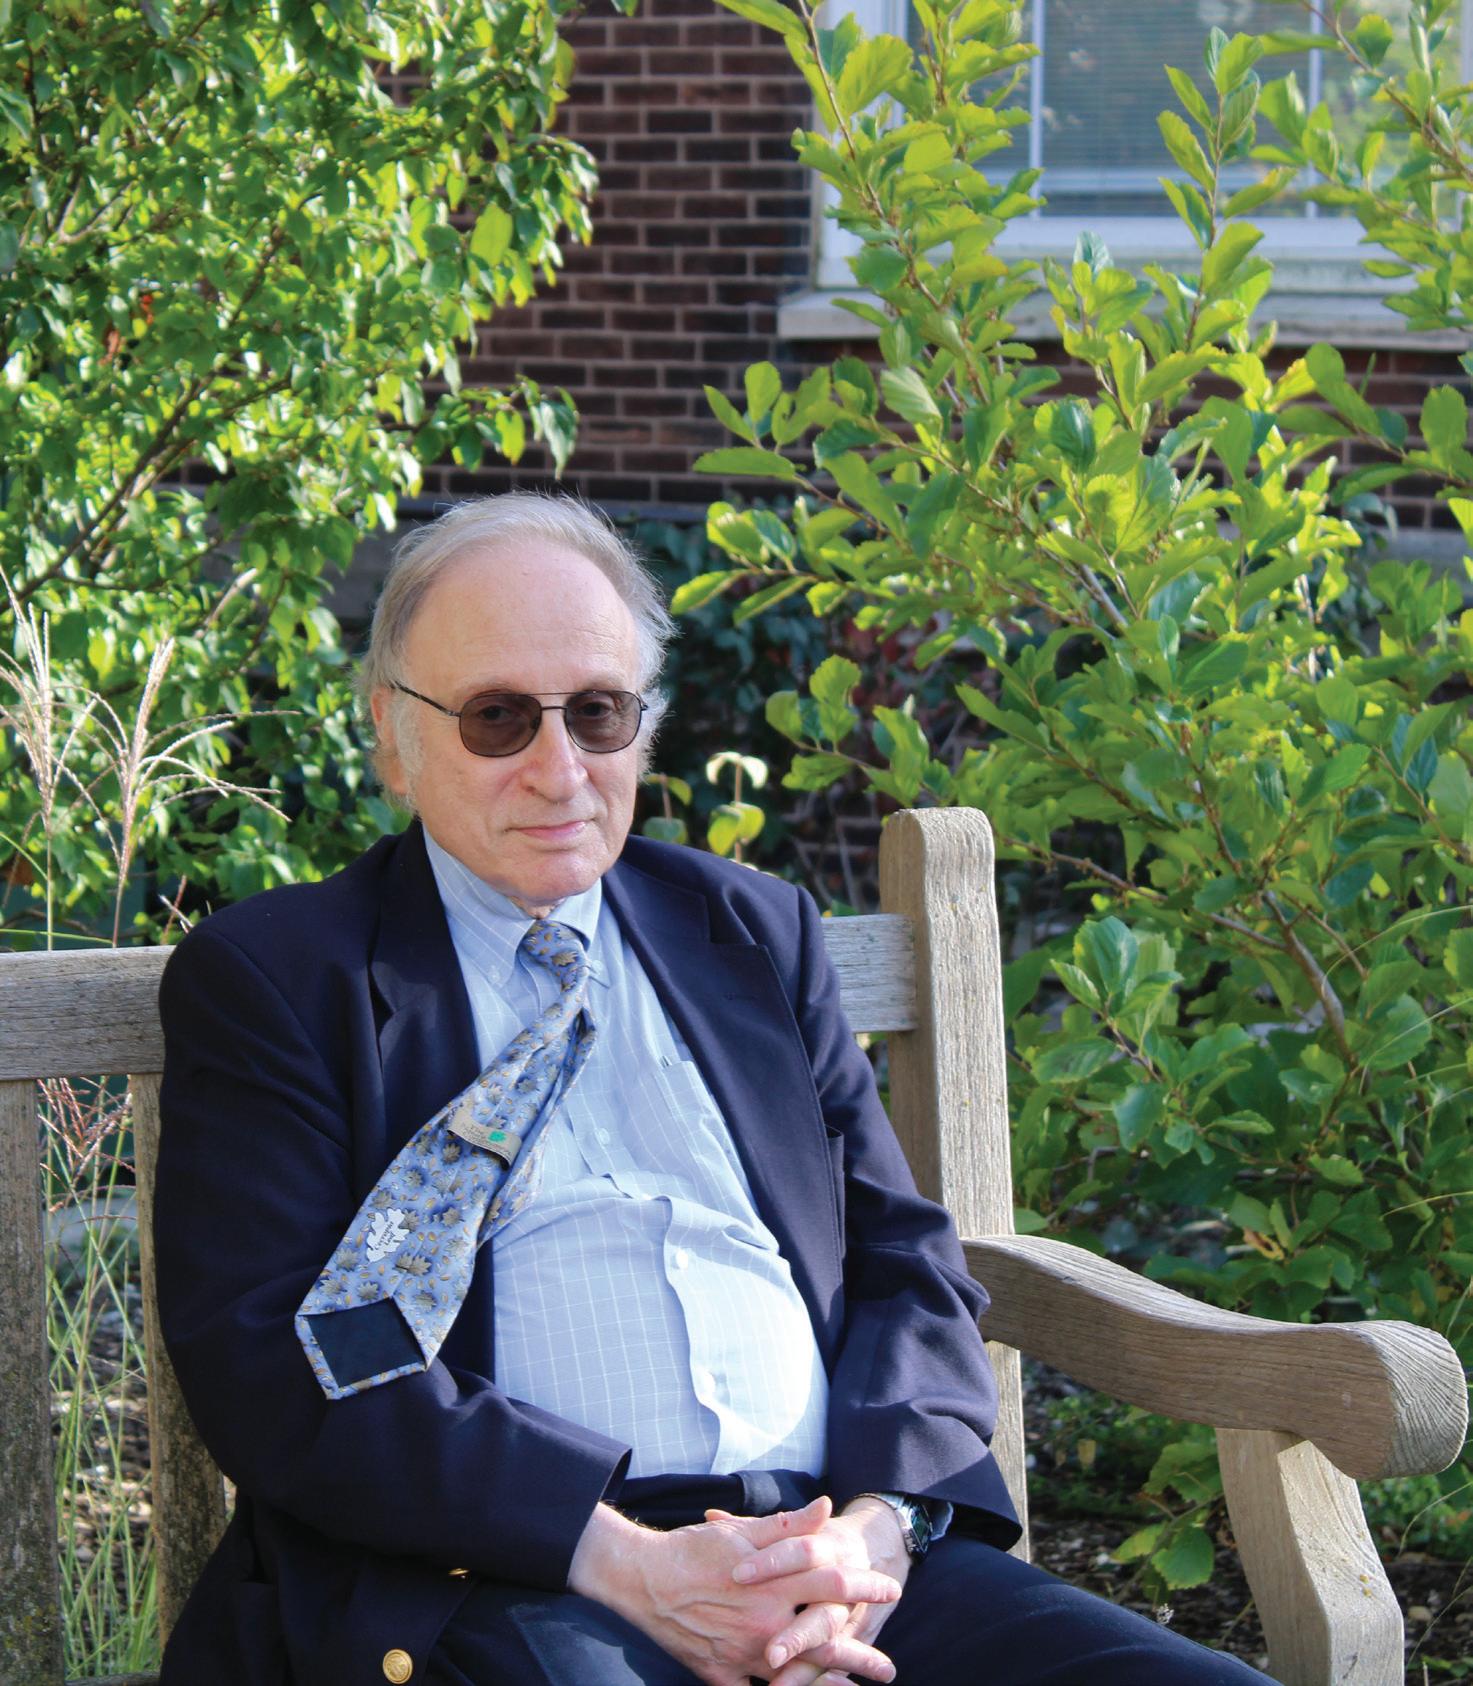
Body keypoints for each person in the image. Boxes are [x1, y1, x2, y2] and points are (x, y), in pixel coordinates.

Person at [154, 493, 1275, 1685]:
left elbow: (904, 1261)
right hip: (507, 1575)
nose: (559, 770)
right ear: (397, 732)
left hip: (838, 1562)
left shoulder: (747, 933)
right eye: (498, 718)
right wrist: (625, 1561)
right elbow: (273, 1359)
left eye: (598, 713)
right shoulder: (285, 979)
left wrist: (872, 1538)